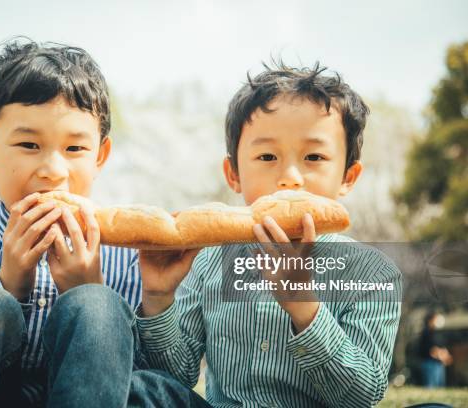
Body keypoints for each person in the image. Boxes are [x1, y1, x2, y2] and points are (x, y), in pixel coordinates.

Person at [70, 62, 401, 407]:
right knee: (141, 388)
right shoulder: (207, 261)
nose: (290, 177)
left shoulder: (373, 273)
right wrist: (158, 296)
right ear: (234, 174)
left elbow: (363, 396)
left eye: (314, 157)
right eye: (267, 156)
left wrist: (304, 308)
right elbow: (176, 375)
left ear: (348, 175)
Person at [0, 38, 171, 407]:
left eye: (75, 149)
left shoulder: (128, 251)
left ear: (100, 156)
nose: (53, 171)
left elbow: (145, 382)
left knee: (96, 303)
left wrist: (87, 291)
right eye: (28, 145)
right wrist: (9, 286)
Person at [419, 310, 452, 388]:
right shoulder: (426, 332)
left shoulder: (437, 333)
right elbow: (431, 350)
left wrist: (445, 356)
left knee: (440, 387)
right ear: (430, 320)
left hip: (438, 364)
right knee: (430, 386)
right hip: (429, 363)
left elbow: (441, 347)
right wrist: (440, 355)